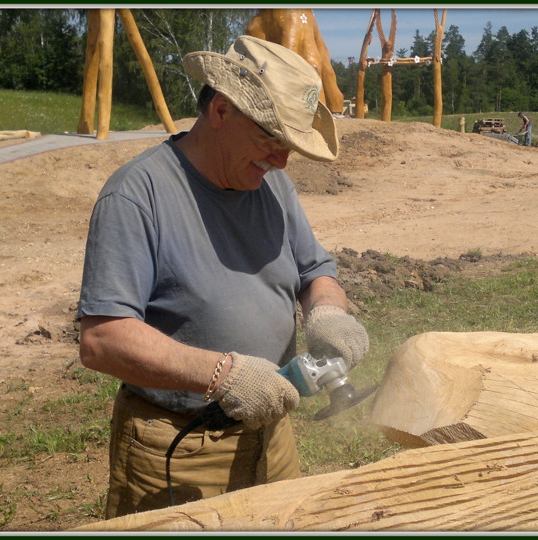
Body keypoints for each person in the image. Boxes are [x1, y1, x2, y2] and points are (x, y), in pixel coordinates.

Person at [77, 35, 369, 519]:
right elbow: (103, 339)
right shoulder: (136, 196)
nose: (282, 160)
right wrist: (222, 376)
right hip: (179, 447)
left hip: (273, 435)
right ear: (221, 110)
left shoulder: (272, 183)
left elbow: (315, 271)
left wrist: (329, 313)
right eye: (271, 140)